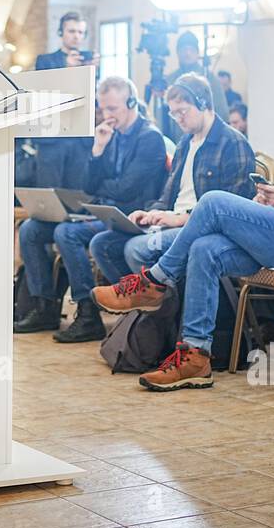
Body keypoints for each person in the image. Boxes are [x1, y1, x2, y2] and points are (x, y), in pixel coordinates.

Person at [92, 65, 274, 392]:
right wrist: (270, 199)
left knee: (215, 201)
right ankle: (196, 355)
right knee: (204, 249)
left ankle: (154, 281)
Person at [87, 73, 255, 316]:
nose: (177, 119)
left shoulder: (232, 142)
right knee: (103, 243)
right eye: (173, 113)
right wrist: (152, 212)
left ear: (204, 104)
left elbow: (231, 211)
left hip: (200, 228)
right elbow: (168, 195)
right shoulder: (185, 143)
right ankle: (150, 318)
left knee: (135, 248)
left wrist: (181, 218)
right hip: (173, 222)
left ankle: (161, 318)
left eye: (182, 111)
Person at [15, 75, 166, 340]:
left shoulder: (149, 138)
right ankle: (44, 307)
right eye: (102, 108)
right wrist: (98, 149)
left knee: (66, 233)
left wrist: (100, 187)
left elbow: (126, 189)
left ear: (131, 103)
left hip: (130, 217)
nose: (106, 115)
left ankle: (87, 313)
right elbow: (88, 184)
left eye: (112, 108)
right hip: (103, 211)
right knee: (31, 229)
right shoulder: (112, 135)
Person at [161, 31, 225, 143]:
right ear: (178, 53)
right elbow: (165, 117)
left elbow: (222, 111)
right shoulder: (170, 80)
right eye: (183, 50)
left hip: (206, 140)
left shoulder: (209, 78)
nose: (187, 53)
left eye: (191, 49)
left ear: (197, 53)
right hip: (177, 141)